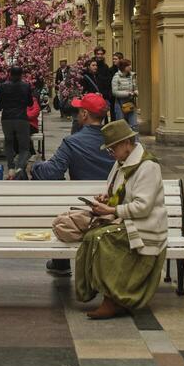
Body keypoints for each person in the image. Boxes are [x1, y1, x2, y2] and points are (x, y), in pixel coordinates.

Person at [75, 119, 167, 319]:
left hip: (146, 227)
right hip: (129, 222)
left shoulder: (147, 166)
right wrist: (107, 197)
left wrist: (112, 209)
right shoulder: (121, 163)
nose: (111, 153)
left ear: (127, 143)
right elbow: (120, 193)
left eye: (113, 148)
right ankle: (104, 294)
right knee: (92, 236)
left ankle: (114, 299)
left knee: (102, 239)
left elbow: (142, 207)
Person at [24, 93, 116, 274]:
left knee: (59, 193)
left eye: (78, 111)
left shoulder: (73, 142)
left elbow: (52, 173)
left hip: (85, 208)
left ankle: (61, 261)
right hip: (115, 206)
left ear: (84, 114)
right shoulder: (118, 141)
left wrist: (35, 167)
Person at [0, 66, 35, 173]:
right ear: (21, 74)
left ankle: (11, 167)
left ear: (10, 74)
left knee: (8, 143)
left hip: (6, 119)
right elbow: (30, 103)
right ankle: (20, 168)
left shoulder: (3, 86)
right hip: (21, 119)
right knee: (24, 147)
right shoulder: (26, 86)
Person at [111, 58, 138, 132]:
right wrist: (127, 93)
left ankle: (135, 142)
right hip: (120, 103)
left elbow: (135, 87)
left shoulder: (132, 76)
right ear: (123, 67)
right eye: (128, 65)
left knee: (134, 124)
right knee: (121, 125)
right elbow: (114, 92)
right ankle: (122, 142)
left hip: (131, 102)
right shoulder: (116, 77)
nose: (130, 67)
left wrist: (136, 92)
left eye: (130, 65)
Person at [92, 47, 115, 113]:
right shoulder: (91, 65)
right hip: (93, 94)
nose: (100, 56)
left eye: (101, 54)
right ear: (95, 54)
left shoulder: (105, 66)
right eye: (98, 54)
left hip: (103, 94)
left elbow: (108, 81)